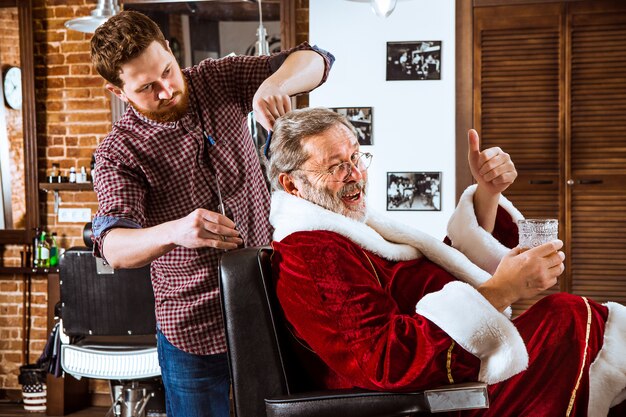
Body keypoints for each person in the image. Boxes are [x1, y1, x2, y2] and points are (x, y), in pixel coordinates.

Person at [262, 107, 626, 417]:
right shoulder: (312, 252)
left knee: (573, 321)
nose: (355, 174)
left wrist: (487, 192)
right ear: (292, 186)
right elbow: (384, 360)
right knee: (569, 317)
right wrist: (500, 291)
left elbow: (434, 273)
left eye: (356, 157)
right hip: (424, 401)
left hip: (447, 381)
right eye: (335, 166)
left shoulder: (350, 227)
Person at [89, 11, 334, 417]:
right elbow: (114, 246)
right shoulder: (118, 153)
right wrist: (175, 231)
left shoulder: (215, 79)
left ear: (169, 50)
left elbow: (318, 60)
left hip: (272, 305)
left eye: (167, 71)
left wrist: (274, 84)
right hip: (192, 330)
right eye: (147, 87)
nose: (167, 90)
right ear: (119, 93)